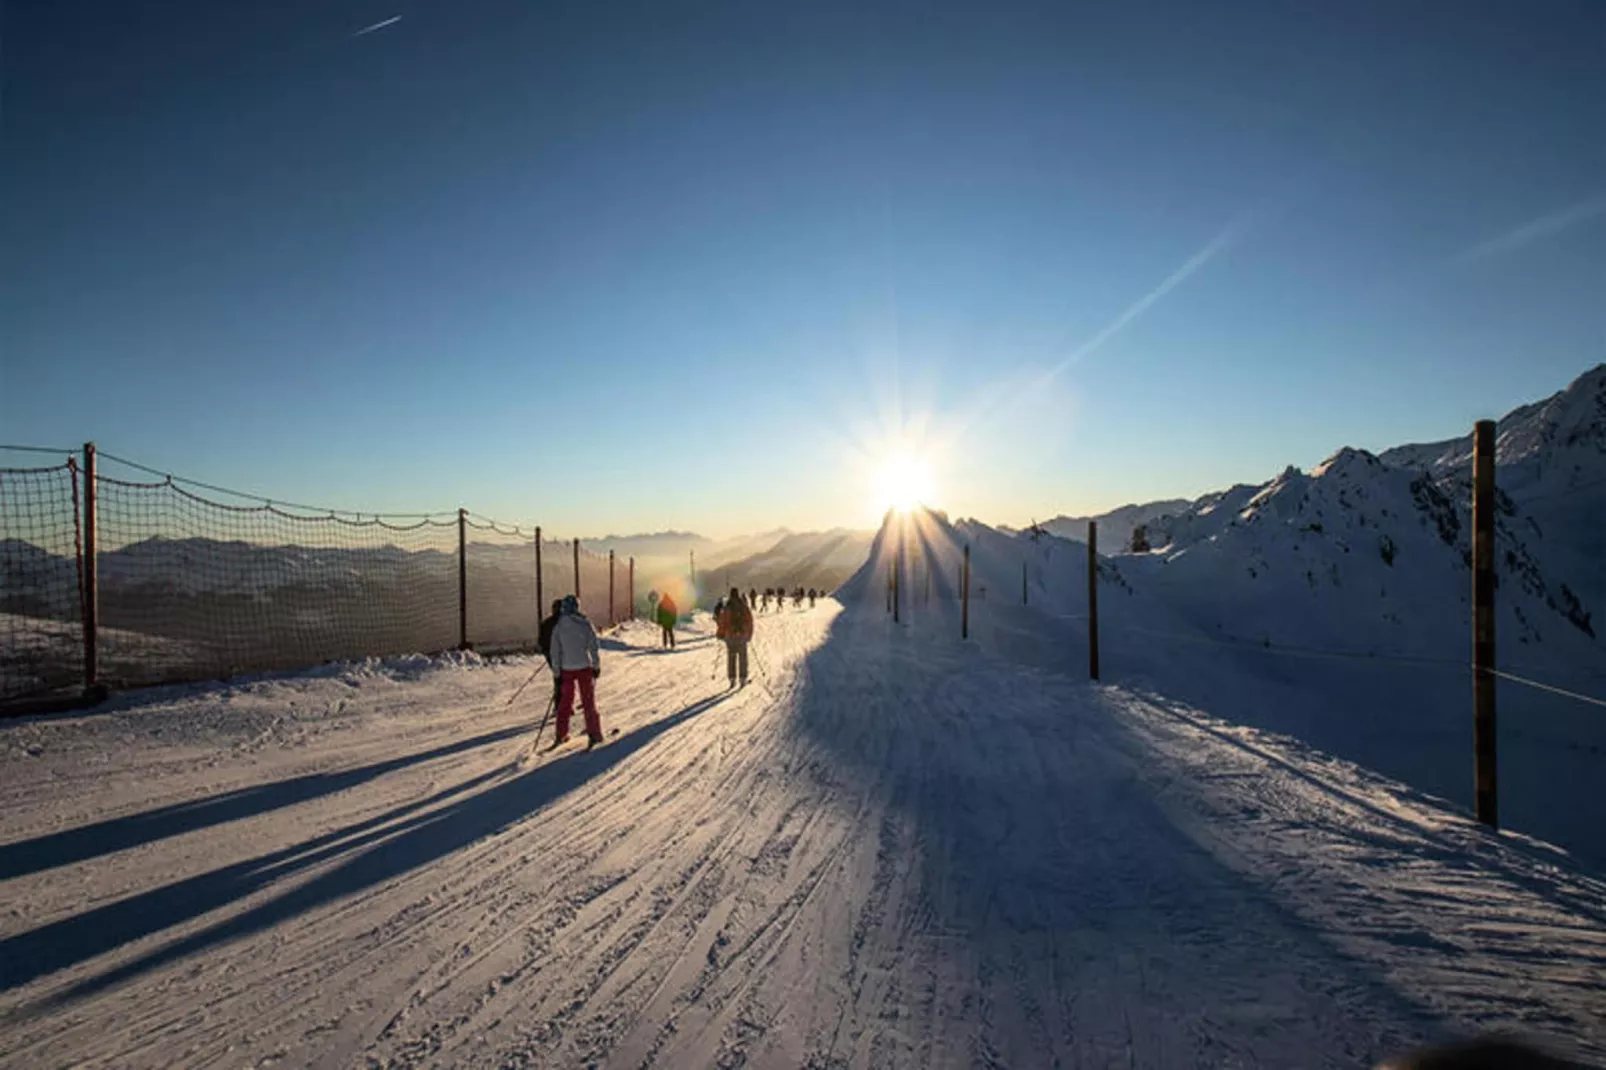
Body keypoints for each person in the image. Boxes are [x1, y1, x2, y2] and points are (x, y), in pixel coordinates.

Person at [548, 595, 604, 748]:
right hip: (584, 667)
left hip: (566, 669)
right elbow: (593, 646)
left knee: (565, 702)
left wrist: (556, 673)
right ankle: (594, 733)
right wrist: (596, 666)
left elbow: (555, 652)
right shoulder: (585, 624)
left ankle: (561, 733)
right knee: (588, 701)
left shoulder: (558, 627)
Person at [716, 587, 753, 687]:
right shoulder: (744, 606)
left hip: (730, 636)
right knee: (743, 658)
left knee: (731, 658)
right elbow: (749, 621)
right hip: (742, 636)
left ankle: (732, 679)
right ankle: (743, 678)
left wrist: (720, 634)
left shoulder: (727, 607)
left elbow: (722, 622)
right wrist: (749, 634)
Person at [536, 598, 563, 707]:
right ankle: (561, 704)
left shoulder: (546, 622)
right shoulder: (564, 623)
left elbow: (541, 641)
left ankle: (559, 703)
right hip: (562, 655)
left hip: (551, 655)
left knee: (558, 678)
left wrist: (546, 653)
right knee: (564, 679)